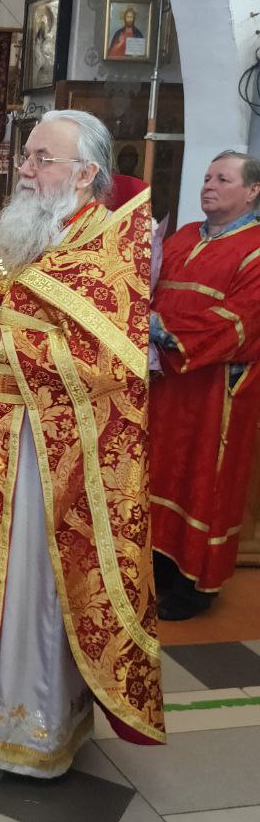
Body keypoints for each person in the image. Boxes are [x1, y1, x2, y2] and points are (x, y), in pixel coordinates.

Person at [0, 109, 164, 776]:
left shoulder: (106, 252)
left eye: (42, 158)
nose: (25, 168)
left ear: (84, 173)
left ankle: (25, 725)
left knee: (25, 588)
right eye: (27, 156)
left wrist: (3, 343)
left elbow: (113, 363)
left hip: (41, 455)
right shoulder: (19, 232)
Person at [150, 150, 260, 619]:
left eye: (223, 179)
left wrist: (163, 330)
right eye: (207, 177)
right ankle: (155, 568)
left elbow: (241, 321)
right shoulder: (181, 237)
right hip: (165, 384)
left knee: (202, 481)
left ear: (253, 191)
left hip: (216, 392)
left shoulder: (255, 248)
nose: (209, 185)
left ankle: (194, 586)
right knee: (159, 471)